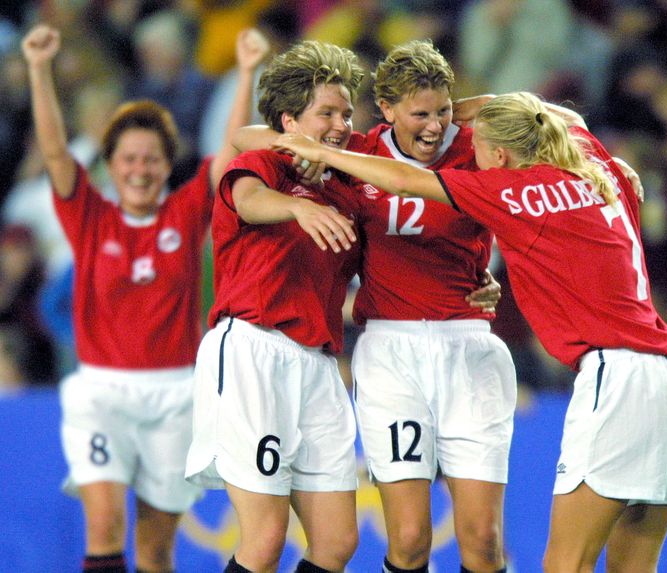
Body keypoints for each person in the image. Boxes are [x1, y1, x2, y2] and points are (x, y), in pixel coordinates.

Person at [272, 91, 667, 573]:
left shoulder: (510, 189)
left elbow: (401, 179)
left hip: (617, 377)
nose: (467, 152)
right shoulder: (594, 163)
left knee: (567, 563)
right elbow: (561, 115)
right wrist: (462, 108)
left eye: (475, 146)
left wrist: (320, 151)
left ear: (500, 156)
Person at [234, 39, 513, 573]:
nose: (434, 127)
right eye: (419, 114)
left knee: (483, 539)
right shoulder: (358, 154)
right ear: (386, 111)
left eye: (444, 111)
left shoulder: (476, 147)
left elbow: (526, 110)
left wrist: (468, 108)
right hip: (391, 351)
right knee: (409, 538)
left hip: (469, 345)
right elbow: (245, 138)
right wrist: (311, 150)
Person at [22, 23, 269, 573]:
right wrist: (39, 70)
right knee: (105, 525)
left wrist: (247, 71)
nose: (139, 169)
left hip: (176, 397)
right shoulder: (90, 215)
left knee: (157, 550)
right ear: (110, 165)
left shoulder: (185, 212)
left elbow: (230, 154)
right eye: (129, 159)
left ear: (166, 165)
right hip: (102, 394)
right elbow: (56, 150)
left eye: (151, 159)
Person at [184, 40, 365, 573]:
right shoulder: (259, 165)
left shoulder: (350, 186)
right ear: (290, 121)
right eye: (326, 112)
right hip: (253, 351)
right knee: (263, 540)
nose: (340, 124)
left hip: (318, 366)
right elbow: (247, 199)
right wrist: (294, 207)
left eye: (347, 112)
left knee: (337, 544)